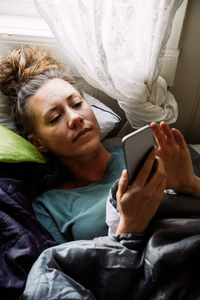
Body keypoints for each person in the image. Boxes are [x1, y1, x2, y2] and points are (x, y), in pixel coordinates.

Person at [0, 45, 200, 246]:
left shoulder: (158, 147)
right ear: (38, 142)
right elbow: (65, 272)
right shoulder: (49, 208)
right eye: (55, 117)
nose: (75, 118)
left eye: (77, 104)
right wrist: (130, 225)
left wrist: (189, 184)